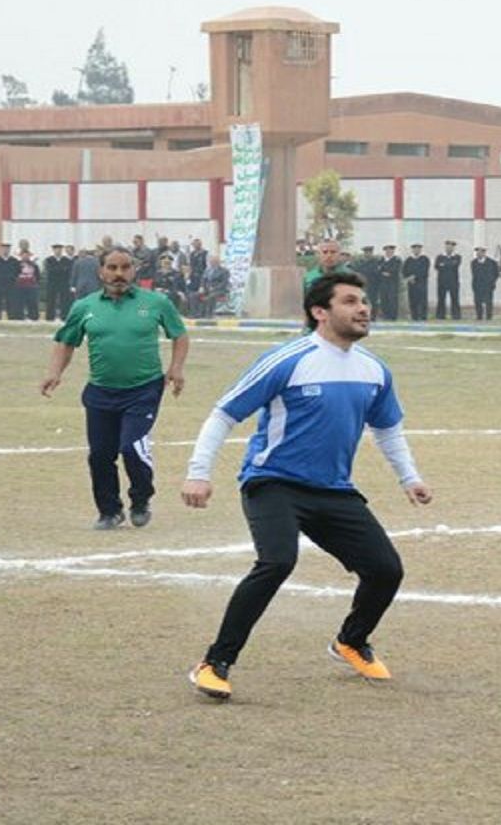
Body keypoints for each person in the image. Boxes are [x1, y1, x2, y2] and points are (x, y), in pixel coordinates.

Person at [181, 271, 433, 702]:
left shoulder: (373, 369)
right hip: (272, 482)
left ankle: (351, 641)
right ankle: (214, 662)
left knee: (386, 570)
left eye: (363, 301)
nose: (363, 309)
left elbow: (388, 429)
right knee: (277, 562)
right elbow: (223, 414)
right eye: (350, 301)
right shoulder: (288, 360)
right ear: (320, 312)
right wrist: (198, 472)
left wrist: (410, 478)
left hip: (333, 490)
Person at [41, 248, 190, 529]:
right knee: (100, 455)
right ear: (101, 271)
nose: (118, 274)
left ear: (134, 270)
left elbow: (179, 335)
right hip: (100, 391)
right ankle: (109, 511)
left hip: (143, 389)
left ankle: (141, 499)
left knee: (132, 448)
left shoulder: (156, 302)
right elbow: (66, 342)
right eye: (112, 268)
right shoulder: (84, 307)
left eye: (124, 268)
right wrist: (54, 372)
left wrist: (176, 368)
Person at [434, 240, 463, 320]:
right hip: (442, 281)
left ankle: (456, 315)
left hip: (453, 281)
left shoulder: (457, 257)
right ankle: (440, 316)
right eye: (448, 246)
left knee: (455, 299)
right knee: (441, 299)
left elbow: (455, 265)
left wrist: (444, 264)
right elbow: (437, 266)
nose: (449, 248)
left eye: (451, 246)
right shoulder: (439, 257)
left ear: (453, 248)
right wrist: (448, 264)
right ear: (445, 247)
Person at [402, 243, 431, 321]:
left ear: (420, 250)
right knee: (412, 300)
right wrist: (408, 278)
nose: (416, 250)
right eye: (414, 249)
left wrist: (414, 276)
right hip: (412, 284)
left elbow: (424, 270)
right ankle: (414, 317)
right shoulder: (408, 260)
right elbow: (404, 271)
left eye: (418, 249)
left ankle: (423, 317)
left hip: (421, 283)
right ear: (412, 250)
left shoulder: (424, 259)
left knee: (422, 301)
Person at [470, 244, 499, 320]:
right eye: (477, 252)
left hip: (488, 285)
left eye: (480, 252)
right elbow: (474, 274)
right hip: (477, 285)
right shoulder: (474, 263)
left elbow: (496, 273)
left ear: (484, 253)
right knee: (477, 301)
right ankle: (479, 316)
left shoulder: (492, 262)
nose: (478, 253)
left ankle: (489, 316)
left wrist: (492, 282)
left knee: (488, 301)